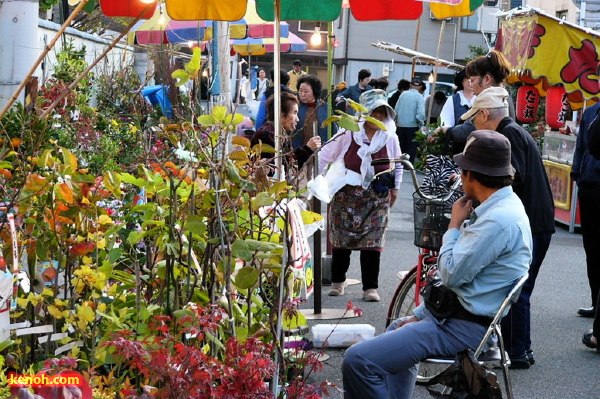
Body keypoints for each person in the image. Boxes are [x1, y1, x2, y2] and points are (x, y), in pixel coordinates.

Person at [341, 130, 532, 398]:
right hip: (459, 315)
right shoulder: (502, 206)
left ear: (471, 174)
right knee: (397, 327)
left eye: (462, 169)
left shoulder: (498, 220)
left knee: (358, 360)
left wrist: (454, 225)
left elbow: (451, 274)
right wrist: (421, 315)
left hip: (462, 326)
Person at [463, 86, 555, 368]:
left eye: (475, 118)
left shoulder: (509, 135)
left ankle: (517, 351)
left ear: (486, 113)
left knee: (515, 287)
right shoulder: (514, 131)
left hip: (531, 221)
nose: (474, 124)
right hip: (535, 219)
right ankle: (521, 350)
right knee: (518, 286)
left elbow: (512, 178)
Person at [319, 89, 402, 302]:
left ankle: (370, 288)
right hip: (347, 194)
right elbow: (325, 155)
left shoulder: (390, 137)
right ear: (364, 114)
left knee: (373, 241)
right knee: (341, 239)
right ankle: (338, 282)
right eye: (374, 112)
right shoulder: (348, 133)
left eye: (382, 112)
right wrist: (314, 182)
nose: (378, 117)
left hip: (377, 195)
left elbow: (397, 164)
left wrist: (396, 189)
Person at [435, 50, 514, 156]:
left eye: (472, 80)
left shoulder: (491, 100)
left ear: (487, 79)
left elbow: (465, 132)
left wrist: (445, 130)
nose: (471, 85)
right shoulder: (504, 97)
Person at [572, 61, 600, 323]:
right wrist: (577, 175)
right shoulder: (591, 112)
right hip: (590, 187)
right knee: (591, 249)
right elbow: (580, 147)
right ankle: (595, 301)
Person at [251, 92, 320, 173]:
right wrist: (307, 149)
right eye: (294, 113)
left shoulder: (278, 133)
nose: (297, 119)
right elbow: (281, 169)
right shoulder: (267, 135)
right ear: (281, 115)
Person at [394, 76, 425, 164]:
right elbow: (420, 113)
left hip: (401, 125)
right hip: (413, 125)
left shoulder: (403, 94)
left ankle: (399, 164)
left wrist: (396, 121)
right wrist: (421, 124)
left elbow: (396, 109)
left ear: (410, 85)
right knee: (411, 147)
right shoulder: (419, 97)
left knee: (401, 145)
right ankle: (408, 165)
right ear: (420, 86)